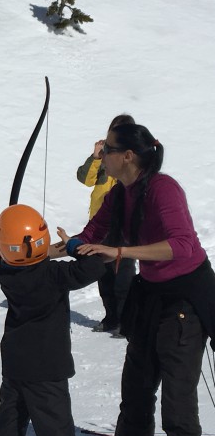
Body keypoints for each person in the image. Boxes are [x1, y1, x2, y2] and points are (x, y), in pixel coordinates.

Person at [57, 123, 215, 436]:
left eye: (106, 150)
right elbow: (93, 234)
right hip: (150, 294)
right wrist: (51, 249)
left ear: (127, 156)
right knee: (137, 384)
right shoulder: (118, 194)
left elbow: (181, 245)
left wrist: (121, 253)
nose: (101, 156)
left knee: (177, 398)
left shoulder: (164, 189)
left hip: (185, 300)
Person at [0, 203, 106, 436]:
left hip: (15, 364)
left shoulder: (7, 272)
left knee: (9, 425)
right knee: (57, 434)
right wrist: (75, 245)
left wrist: (43, 252)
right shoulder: (53, 275)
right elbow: (94, 265)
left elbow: (16, 256)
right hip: (47, 370)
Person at [76, 114, 137, 335]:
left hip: (125, 224)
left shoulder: (134, 155)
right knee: (103, 274)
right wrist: (95, 156)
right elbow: (85, 179)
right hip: (100, 224)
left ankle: (127, 320)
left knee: (124, 276)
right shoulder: (104, 156)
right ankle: (111, 318)